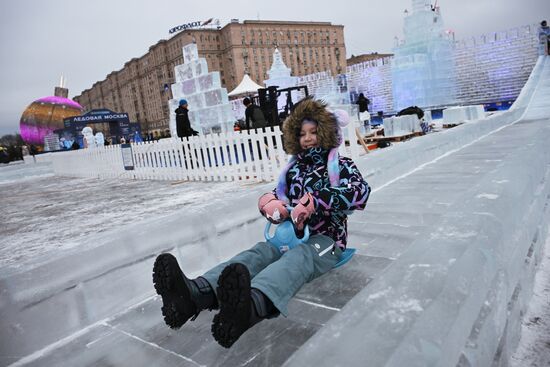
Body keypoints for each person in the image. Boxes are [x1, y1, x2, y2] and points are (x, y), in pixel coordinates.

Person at [152, 97, 371, 348]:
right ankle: (196, 294)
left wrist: (317, 201)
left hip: (326, 240)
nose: (308, 138)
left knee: (299, 258)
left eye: (314, 132)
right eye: (302, 134)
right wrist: (270, 204)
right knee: (259, 253)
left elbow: (360, 192)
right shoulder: (293, 170)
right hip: (289, 234)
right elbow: (278, 196)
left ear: (326, 132)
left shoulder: (341, 166)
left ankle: (252, 304)